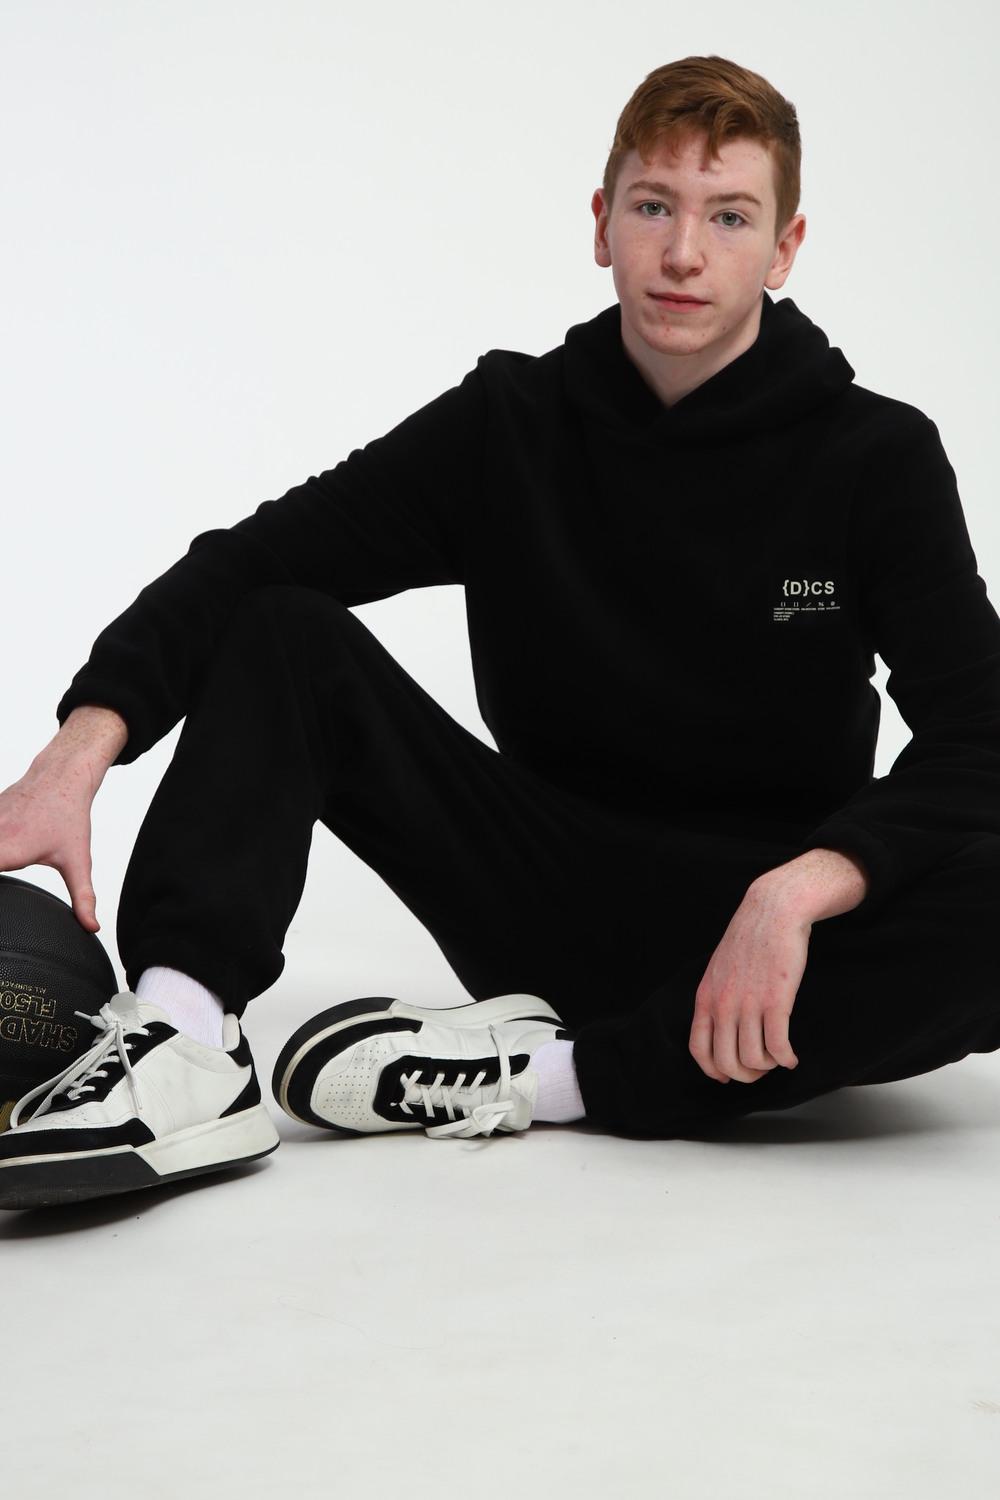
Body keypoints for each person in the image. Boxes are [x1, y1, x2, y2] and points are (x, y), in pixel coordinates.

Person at [3, 53, 1000, 1211]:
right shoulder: (509, 428)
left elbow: (981, 732)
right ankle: (184, 1039)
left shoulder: (873, 458)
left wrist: (798, 893)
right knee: (283, 629)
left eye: (729, 216)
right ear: (602, 223)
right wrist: (77, 752)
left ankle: (545, 1079)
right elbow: (249, 565)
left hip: (764, 941)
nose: (684, 252)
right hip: (536, 894)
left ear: (783, 248)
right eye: (654, 206)